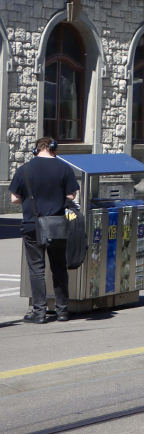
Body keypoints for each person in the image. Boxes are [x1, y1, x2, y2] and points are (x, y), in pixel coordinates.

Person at [8, 138, 79, 323]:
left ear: (35, 150)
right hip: (57, 225)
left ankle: (39, 313)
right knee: (59, 267)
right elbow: (71, 195)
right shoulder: (64, 168)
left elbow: (14, 199)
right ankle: (62, 311)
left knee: (36, 269)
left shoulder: (24, 169)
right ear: (53, 150)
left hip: (32, 225)